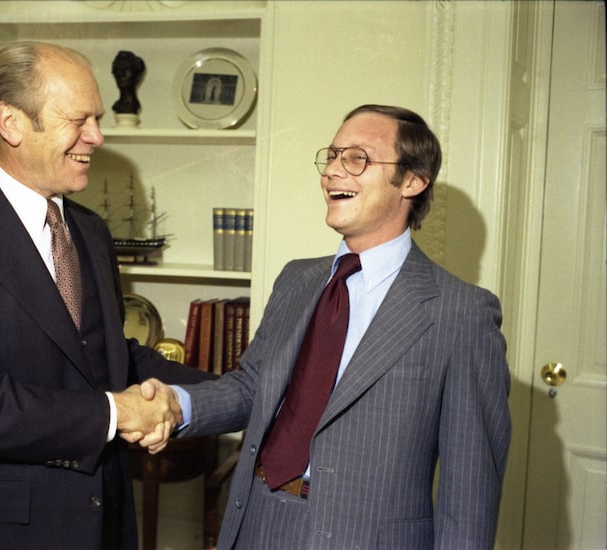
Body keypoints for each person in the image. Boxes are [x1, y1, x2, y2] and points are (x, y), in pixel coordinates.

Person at [142, 104, 512, 549]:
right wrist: (176, 405)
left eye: (357, 158)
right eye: (333, 156)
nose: (334, 171)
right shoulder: (297, 279)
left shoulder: (462, 314)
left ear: (412, 181)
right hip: (255, 519)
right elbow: (251, 389)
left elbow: (470, 493)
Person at [0, 41, 207, 550]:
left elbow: (107, 356)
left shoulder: (91, 231)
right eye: (78, 120)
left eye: (97, 119)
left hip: (103, 521)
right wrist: (119, 413)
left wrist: (238, 391)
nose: (97, 137)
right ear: (12, 122)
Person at [111, 50, 145, 115]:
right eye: (118, 69)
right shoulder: (117, 105)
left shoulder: (133, 105)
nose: (121, 74)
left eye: (126, 68)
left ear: (137, 74)